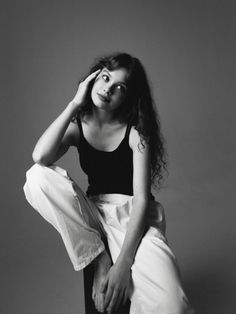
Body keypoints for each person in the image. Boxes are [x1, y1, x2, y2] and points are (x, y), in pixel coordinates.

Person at [23, 52, 194, 314]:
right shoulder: (78, 126)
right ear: (93, 78)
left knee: (173, 305)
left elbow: (141, 200)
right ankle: (98, 256)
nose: (107, 89)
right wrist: (73, 103)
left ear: (128, 97)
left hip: (133, 217)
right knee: (37, 177)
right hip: (94, 215)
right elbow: (40, 157)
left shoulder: (136, 131)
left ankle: (115, 262)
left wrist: (124, 265)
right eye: (105, 78)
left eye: (119, 88)